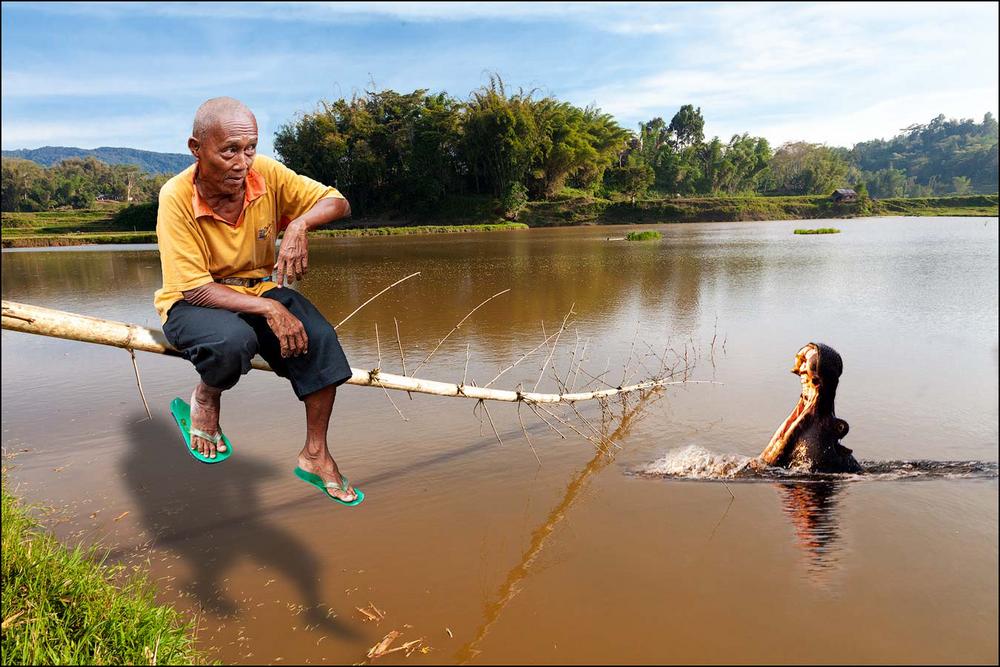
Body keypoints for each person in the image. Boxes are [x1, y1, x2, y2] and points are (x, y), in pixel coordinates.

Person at [153, 96, 359, 503]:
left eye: (250, 149)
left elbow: (338, 201)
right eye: (229, 150)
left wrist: (299, 223)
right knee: (231, 343)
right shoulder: (175, 196)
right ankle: (205, 396)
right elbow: (194, 287)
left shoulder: (264, 173)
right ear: (196, 149)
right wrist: (270, 307)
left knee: (319, 339)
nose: (242, 162)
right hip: (195, 300)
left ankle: (315, 454)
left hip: (258, 287)